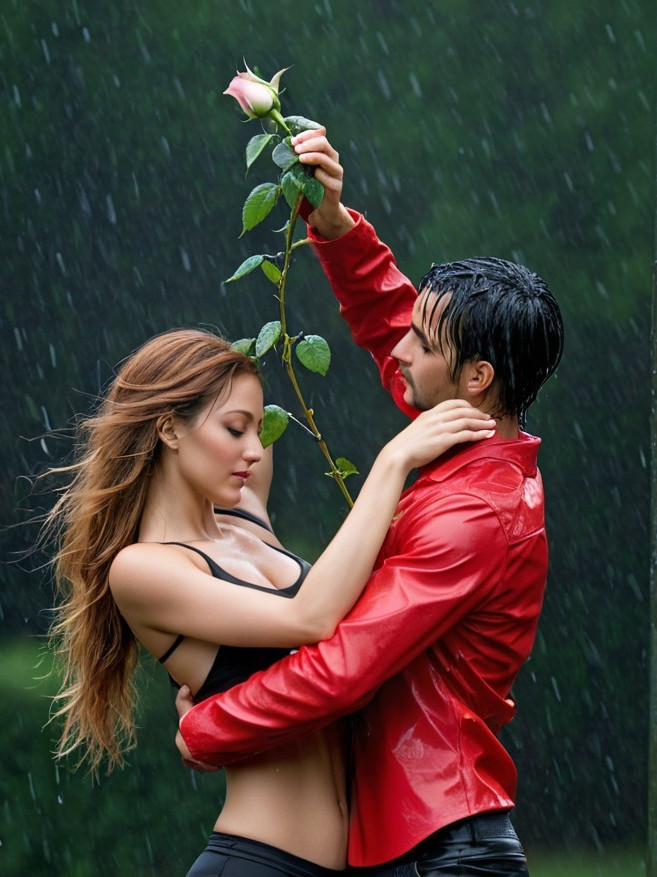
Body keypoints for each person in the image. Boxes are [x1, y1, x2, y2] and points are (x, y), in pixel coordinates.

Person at [174, 129, 565, 877]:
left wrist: (208, 727)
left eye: (425, 342)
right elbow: (394, 323)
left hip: (440, 853)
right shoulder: (472, 433)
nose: (401, 351)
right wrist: (331, 222)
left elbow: (344, 668)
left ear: (477, 376)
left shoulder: (474, 513)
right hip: (430, 840)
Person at [46, 326, 496, 877]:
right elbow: (309, 618)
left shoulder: (245, 516)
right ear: (168, 428)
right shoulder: (144, 570)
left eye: (259, 430)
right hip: (257, 861)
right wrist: (393, 461)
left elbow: (255, 379)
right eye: (236, 430)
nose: (255, 451)